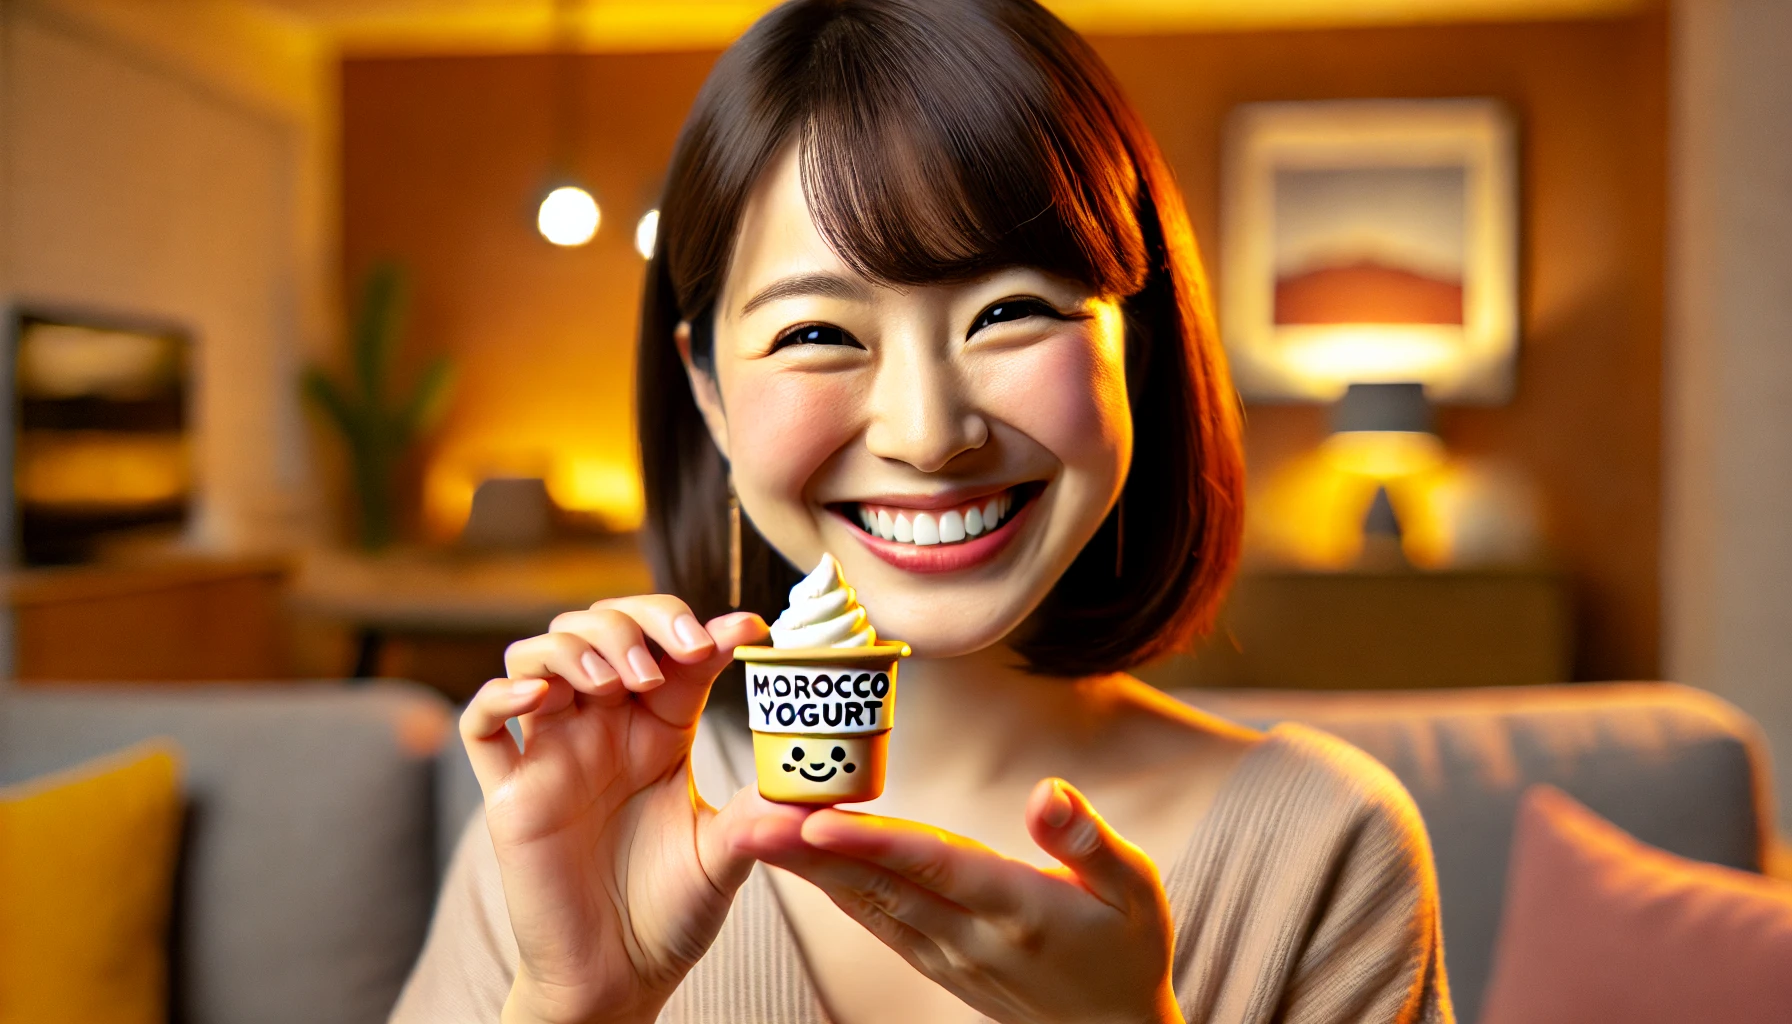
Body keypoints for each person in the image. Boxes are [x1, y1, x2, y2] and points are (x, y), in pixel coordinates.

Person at [392, 1, 1453, 1021]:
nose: (928, 431)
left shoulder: (1324, 848)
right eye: (815, 333)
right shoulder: (578, 831)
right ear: (707, 389)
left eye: (1009, 312)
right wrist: (572, 1009)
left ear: (1138, 343)